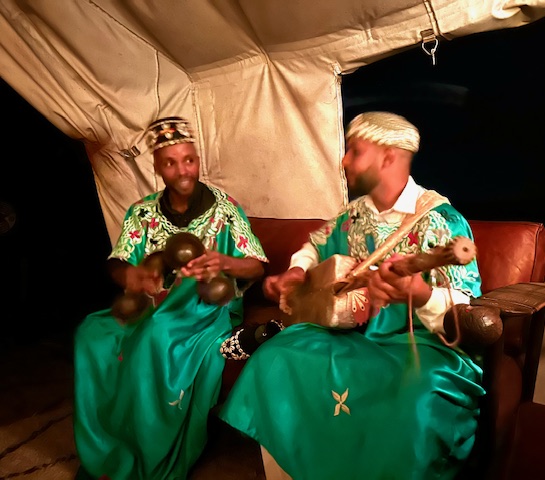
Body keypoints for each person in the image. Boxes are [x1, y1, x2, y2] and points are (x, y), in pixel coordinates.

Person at [219, 111, 485, 479]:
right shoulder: (354, 214)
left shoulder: (443, 221)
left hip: (422, 346)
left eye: (355, 151)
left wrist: (420, 294)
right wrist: (298, 270)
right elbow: (316, 245)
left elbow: (463, 313)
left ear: (389, 157)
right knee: (276, 357)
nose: (344, 161)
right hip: (356, 337)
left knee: (417, 400)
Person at [73, 116, 268, 479]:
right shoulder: (143, 212)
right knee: (91, 335)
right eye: (171, 162)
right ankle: (113, 444)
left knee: (157, 335)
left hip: (206, 309)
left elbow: (256, 267)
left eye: (189, 160)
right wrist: (131, 275)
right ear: (158, 167)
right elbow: (119, 262)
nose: (183, 171)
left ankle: (152, 451)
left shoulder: (224, 209)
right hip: (153, 306)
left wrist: (226, 261)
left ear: (197, 160)